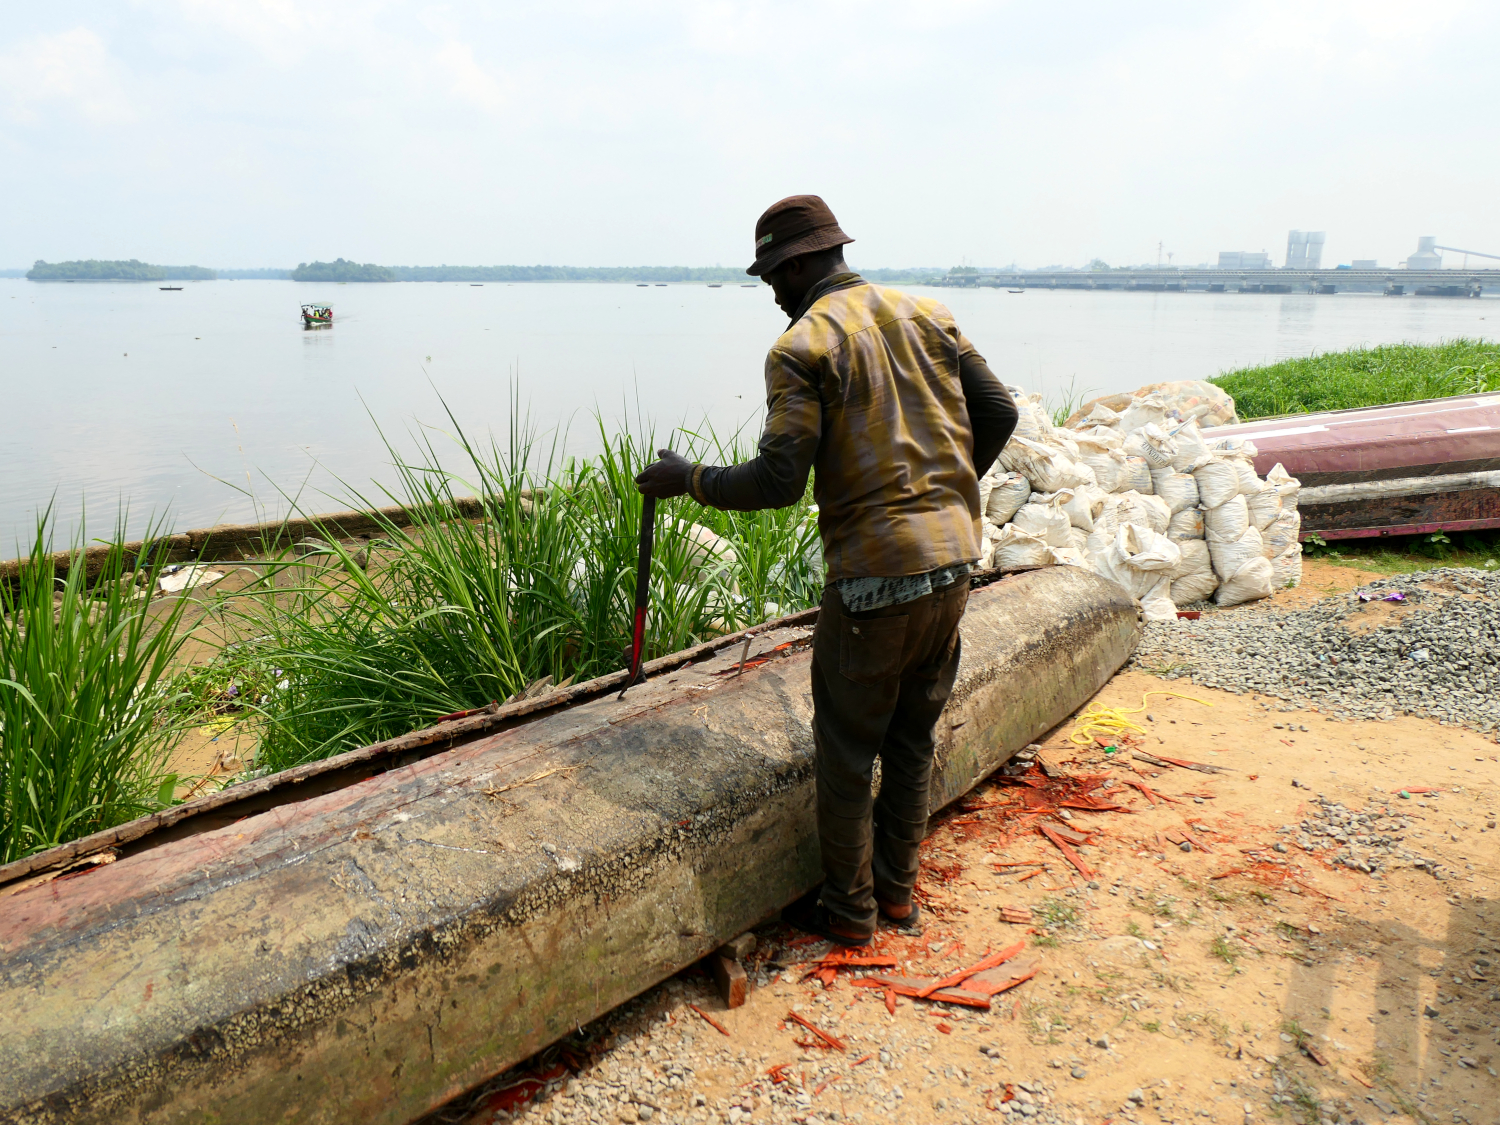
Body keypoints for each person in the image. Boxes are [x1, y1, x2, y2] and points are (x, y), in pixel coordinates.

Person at [635, 195, 1017, 946]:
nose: (773, 292)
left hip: (876, 579)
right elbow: (998, 411)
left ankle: (850, 915)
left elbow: (779, 482)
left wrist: (691, 479)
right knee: (911, 738)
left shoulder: (802, 347)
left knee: (846, 751)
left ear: (803, 263)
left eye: (775, 274)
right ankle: (897, 895)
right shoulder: (928, 313)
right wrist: (942, 497)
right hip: (953, 563)